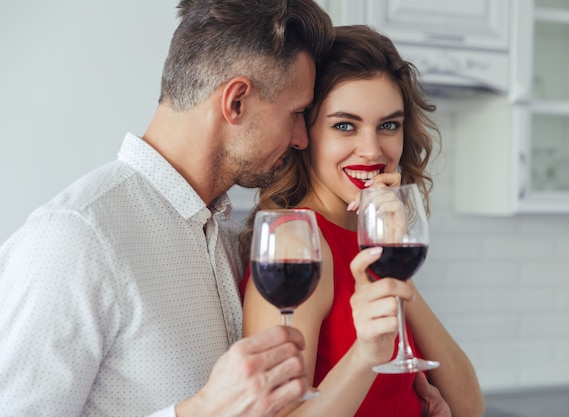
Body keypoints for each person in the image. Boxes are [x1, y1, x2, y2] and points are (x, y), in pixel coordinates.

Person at [0, 1, 335, 416]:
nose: (303, 138)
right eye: (298, 113)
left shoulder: (229, 236)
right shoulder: (75, 238)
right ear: (236, 102)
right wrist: (199, 411)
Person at [239, 25, 485, 417]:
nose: (372, 150)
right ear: (305, 134)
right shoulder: (295, 242)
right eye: (344, 125)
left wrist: (392, 254)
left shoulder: (369, 244)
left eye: (389, 125)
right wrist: (367, 353)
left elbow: (469, 405)